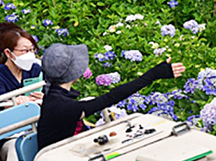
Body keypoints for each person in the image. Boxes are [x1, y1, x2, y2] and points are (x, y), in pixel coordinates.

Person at [37, 44, 185, 151]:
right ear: (74, 73)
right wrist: (153, 75)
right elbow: (110, 98)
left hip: (62, 153)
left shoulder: (54, 96)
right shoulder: (62, 106)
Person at [0, 23, 43, 161]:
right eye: (24, 51)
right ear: (9, 53)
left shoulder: (35, 70)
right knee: (16, 148)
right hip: (7, 136)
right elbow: (2, 103)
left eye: (32, 50)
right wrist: (15, 101)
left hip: (36, 129)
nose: (29, 54)